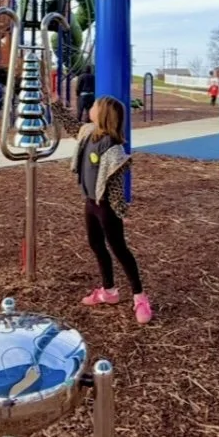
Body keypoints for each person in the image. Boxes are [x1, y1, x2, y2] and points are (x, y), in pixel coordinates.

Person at [72, 95, 151, 324]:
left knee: (119, 249)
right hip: (90, 202)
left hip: (106, 207)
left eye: (96, 106)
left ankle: (140, 296)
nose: (91, 107)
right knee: (96, 244)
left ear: (103, 114)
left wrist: (119, 211)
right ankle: (109, 290)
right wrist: (55, 102)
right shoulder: (88, 133)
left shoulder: (112, 147)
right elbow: (70, 126)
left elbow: (116, 185)